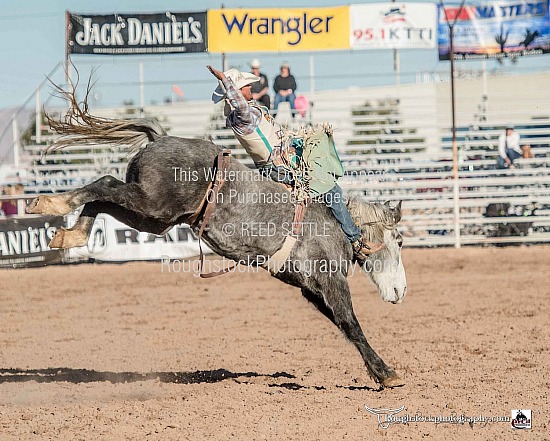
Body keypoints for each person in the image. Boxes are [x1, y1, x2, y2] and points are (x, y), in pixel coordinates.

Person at [207, 65, 383, 259]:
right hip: (278, 167)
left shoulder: (245, 114)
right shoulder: (243, 116)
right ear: (239, 91)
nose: (251, 88)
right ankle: (355, 241)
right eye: (247, 86)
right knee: (331, 189)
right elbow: (240, 105)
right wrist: (225, 79)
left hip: (282, 160)